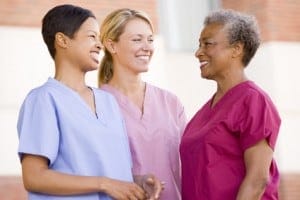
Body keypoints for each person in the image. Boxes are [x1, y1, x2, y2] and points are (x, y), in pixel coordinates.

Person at [17, 4, 162, 200]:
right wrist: (105, 184)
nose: (99, 44)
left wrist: (136, 182)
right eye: (91, 36)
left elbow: (109, 173)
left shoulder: (108, 102)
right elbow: (34, 177)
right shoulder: (44, 99)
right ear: (62, 40)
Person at [180, 9, 281, 200]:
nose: (198, 52)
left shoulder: (253, 100)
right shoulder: (204, 112)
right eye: (199, 45)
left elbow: (258, 180)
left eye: (208, 44)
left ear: (237, 49)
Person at [98, 8, 187, 200]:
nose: (147, 47)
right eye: (137, 39)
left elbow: (190, 163)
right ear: (111, 45)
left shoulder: (171, 102)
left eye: (150, 39)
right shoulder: (95, 104)